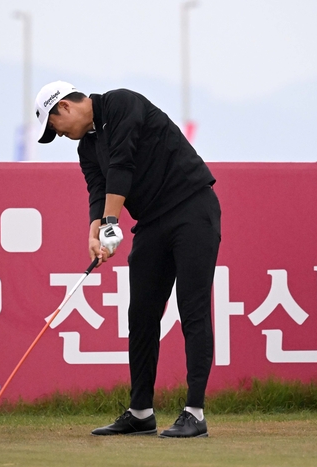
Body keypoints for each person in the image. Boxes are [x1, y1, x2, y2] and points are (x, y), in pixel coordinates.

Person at [34, 81, 221, 438]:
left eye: (55, 128)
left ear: (65, 108)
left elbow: (122, 161)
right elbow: (98, 187)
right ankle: (141, 412)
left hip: (192, 207)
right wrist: (95, 232)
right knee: (142, 315)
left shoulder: (122, 103)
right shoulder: (87, 146)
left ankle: (194, 413)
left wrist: (111, 223)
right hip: (152, 222)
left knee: (192, 309)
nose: (59, 136)